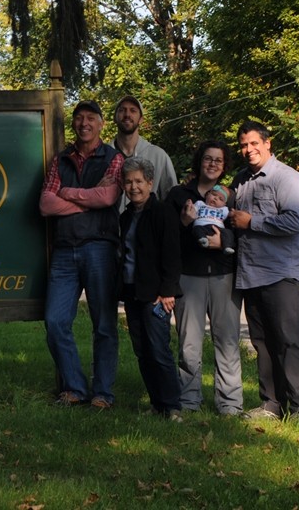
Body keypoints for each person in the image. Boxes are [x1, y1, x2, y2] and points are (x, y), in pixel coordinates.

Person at [229, 121, 299, 426]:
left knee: (289, 341)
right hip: (251, 273)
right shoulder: (240, 180)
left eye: (254, 143)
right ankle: (272, 403)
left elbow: (295, 220)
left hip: (281, 273)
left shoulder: (287, 178)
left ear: (267, 143)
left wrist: (252, 222)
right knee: (262, 342)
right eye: (243, 145)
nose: (249, 150)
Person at [40, 100, 124, 409]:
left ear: (102, 124)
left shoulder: (113, 158)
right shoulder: (60, 159)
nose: (83, 123)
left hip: (99, 247)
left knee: (104, 325)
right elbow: (46, 205)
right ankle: (75, 387)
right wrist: (89, 198)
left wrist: (68, 193)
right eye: (79, 118)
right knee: (55, 321)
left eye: (90, 118)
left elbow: (109, 196)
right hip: (65, 251)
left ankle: (103, 393)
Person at [166, 141, 243, 416]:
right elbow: (165, 235)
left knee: (228, 340)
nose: (212, 164)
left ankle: (230, 403)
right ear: (199, 161)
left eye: (218, 161)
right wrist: (184, 223)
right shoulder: (179, 195)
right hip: (189, 275)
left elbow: (242, 233)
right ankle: (189, 400)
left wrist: (224, 242)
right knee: (189, 342)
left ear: (224, 166)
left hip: (225, 274)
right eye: (207, 159)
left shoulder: (231, 196)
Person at [118, 156, 183, 420]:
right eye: (128, 182)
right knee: (142, 351)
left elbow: (172, 254)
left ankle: (172, 407)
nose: (134, 187)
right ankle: (157, 404)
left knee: (158, 349)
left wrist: (168, 291)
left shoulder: (163, 212)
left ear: (150, 183)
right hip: (133, 292)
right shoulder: (125, 217)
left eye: (139, 181)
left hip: (156, 294)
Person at [112, 95, 177, 210]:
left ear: (141, 119)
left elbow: (171, 198)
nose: (127, 114)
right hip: (108, 227)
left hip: (148, 226)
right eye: (122, 110)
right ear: (115, 117)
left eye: (133, 110)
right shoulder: (103, 155)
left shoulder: (158, 155)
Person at [191, 185, 236, 255]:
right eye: (214, 194)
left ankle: (227, 246)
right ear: (207, 194)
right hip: (202, 225)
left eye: (220, 199)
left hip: (218, 229)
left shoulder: (223, 209)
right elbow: (191, 211)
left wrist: (233, 213)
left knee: (228, 232)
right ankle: (203, 239)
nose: (215, 198)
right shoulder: (200, 203)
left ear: (224, 204)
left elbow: (230, 215)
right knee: (196, 229)